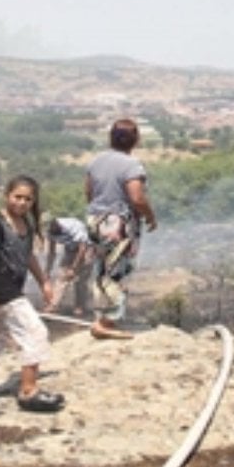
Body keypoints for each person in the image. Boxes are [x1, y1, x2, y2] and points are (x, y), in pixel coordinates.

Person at [0, 175, 64, 413]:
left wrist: (44, 282)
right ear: (7, 196)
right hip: (2, 289)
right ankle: (28, 391)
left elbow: (28, 257)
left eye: (28, 199)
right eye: (17, 197)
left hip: (9, 288)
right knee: (35, 332)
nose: (22, 202)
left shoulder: (24, 222)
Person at [85, 119, 157, 339]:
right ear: (135, 140)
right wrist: (150, 217)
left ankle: (101, 318)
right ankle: (108, 322)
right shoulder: (131, 166)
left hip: (95, 220)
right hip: (118, 224)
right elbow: (136, 197)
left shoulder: (95, 162)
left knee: (101, 271)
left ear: (111, 138)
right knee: (117, 272)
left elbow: (89, 193)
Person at [44, 216, 94, 317]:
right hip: (70, 249)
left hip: (87, 249)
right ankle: (54, 305)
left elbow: (82, 249)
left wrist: (73, 269)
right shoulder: (50, 231)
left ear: (60, 227)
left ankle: (79, 306)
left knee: (80, 281)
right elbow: (52, 252)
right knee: (62, 276)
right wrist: (47, 270)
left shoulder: (74, 226)